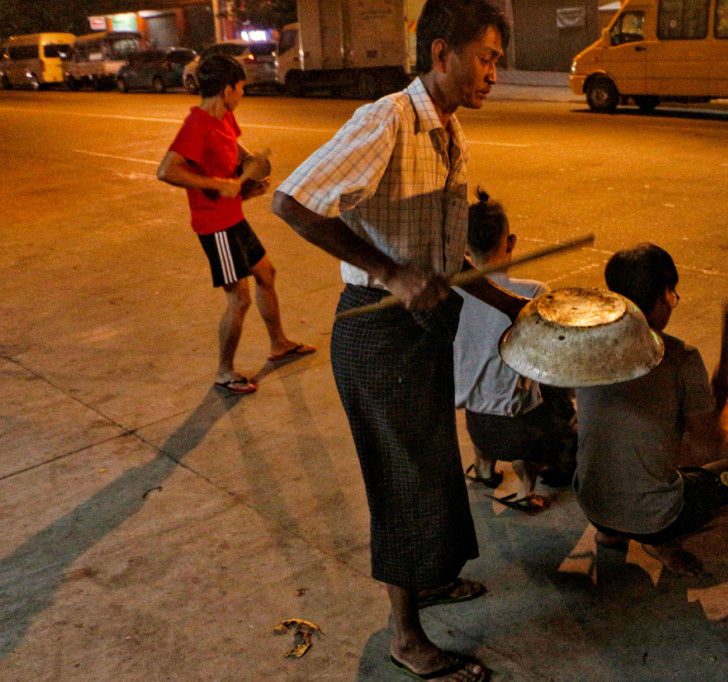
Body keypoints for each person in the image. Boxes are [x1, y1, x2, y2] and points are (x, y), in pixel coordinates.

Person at [271, 2, 524, 680]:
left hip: (421, 328)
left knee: (434, 466)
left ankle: (433, 580)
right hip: (376, 330)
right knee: (401, 479)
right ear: (442, 54)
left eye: (498, 60)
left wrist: (507, 304)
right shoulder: (386, 120)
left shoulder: (449, 131)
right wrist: (389, 271)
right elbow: (290, 201)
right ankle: (405, 634)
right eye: (486, 57)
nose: (493, 72)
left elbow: (443, 259)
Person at [572, 243, 728, 575]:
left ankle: (610, 531)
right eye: (672, 293)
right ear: (664, 295)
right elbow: (704, 447)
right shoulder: (681, 357)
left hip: (592, 505)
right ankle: (664, 540)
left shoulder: (585, 344)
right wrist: (719, 396)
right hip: (655, 519)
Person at [156, 55, 314, 396]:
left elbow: (235, 147)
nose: (242, 94)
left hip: (233, 216)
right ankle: (224, 372)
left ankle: (279, 343)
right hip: (215, 227)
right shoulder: (196, 125)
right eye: (240, 88)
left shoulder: (224, 116)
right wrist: (216, 184)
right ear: (227, 89)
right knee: (239, 298)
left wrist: (250, 169)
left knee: (267, 274)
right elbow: (166, 170)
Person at [454, 188, 577, 514]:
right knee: (561, 403)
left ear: (465, 250)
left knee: (484, 379)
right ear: (510, 243)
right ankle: (526, 490)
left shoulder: (453, 293)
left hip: (476, 422)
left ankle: (483, 469)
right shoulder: (532, 292)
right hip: (519, 430)